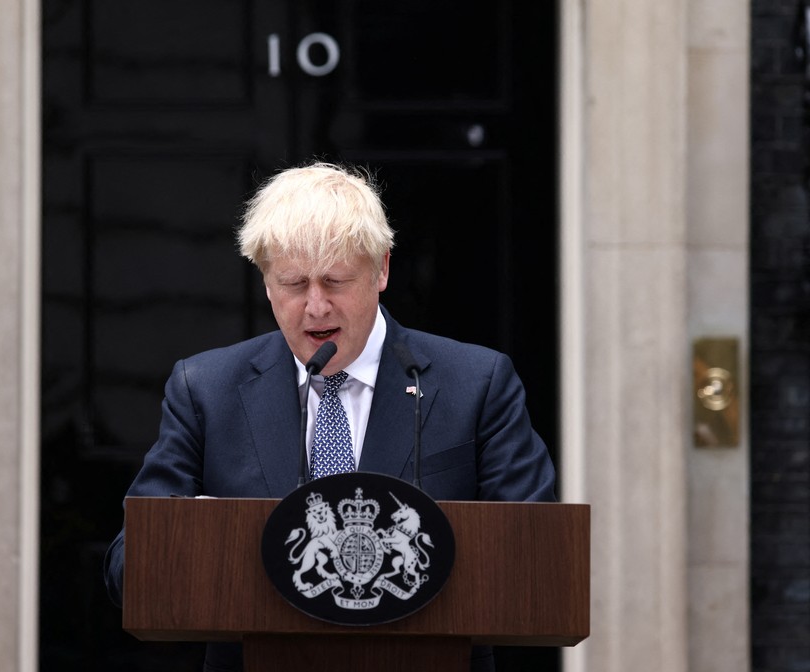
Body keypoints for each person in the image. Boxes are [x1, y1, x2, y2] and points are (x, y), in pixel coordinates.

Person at [104, 162, 556, 672]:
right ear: (266, 283)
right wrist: (196, 540)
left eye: (336, 281)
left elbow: (533, 561)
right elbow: (129, 570)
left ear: (382, 269)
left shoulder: (477, 383)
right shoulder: (205, 389)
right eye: (294, 284)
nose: (316, 307)